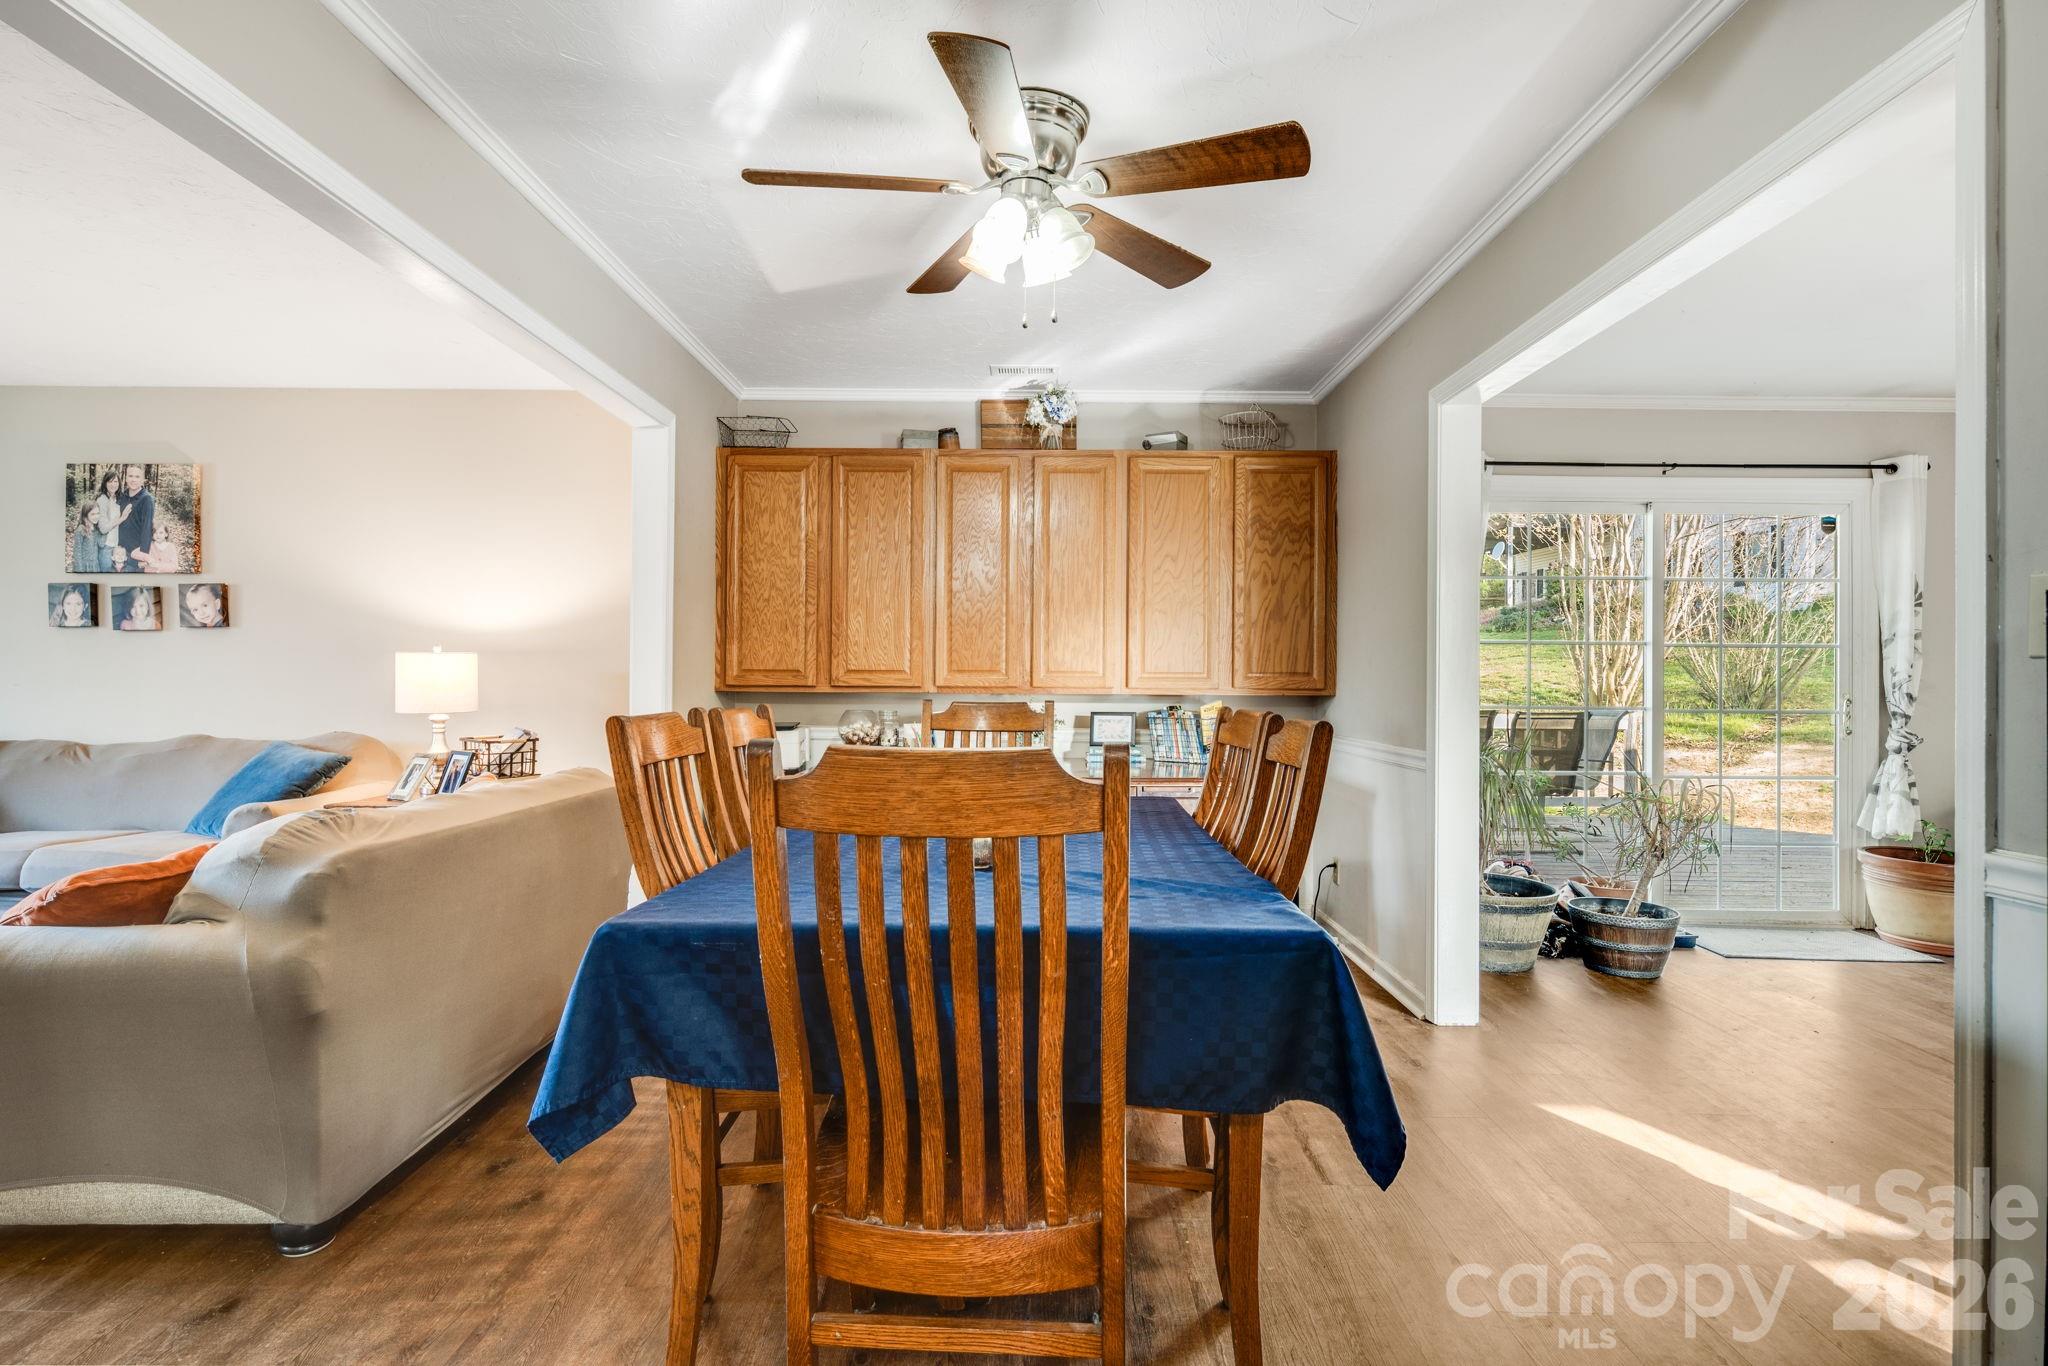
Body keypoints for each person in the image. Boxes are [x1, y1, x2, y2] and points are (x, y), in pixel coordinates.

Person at [114, 464, 155, 573]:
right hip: (120, 552)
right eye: (130, 476)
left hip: (136, 553)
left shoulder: (147, 499)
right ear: (126, 478)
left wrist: (143, 555)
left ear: (142, 480)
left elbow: (147, 528)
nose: (133, 480)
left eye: (137, 477)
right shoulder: (122, 496)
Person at [93, 470, 123, 573]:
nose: (113, 484)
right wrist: (121, 519)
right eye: (110, 481)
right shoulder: (102, 499)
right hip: (106, 545)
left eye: (115, 481)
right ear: (105, 483)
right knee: (105, 575)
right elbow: (103, 528)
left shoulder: (117, 498)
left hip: (116, 545)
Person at [69, 505, 101, 576]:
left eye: (98, 513)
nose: (96, 516)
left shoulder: (96, 529)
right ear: (85, 515)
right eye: (93, 514)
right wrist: (80, 571)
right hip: (84, 566)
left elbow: (100, 544)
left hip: (95, 566)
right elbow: (77, 552)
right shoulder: (81, 529)